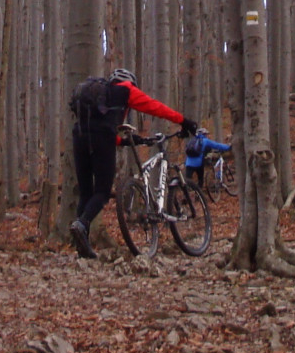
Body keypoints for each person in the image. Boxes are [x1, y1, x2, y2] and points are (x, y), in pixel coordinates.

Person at [68, 68, 198, 259]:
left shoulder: (101, 98)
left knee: (86, 193)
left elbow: (97, 129)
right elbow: (154, 107)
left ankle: (82, 246)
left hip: (79, 138)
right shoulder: (125, 89)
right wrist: (183, 121)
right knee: (102, 192)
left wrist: (124, 141)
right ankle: (81, 224)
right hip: (101, 139)